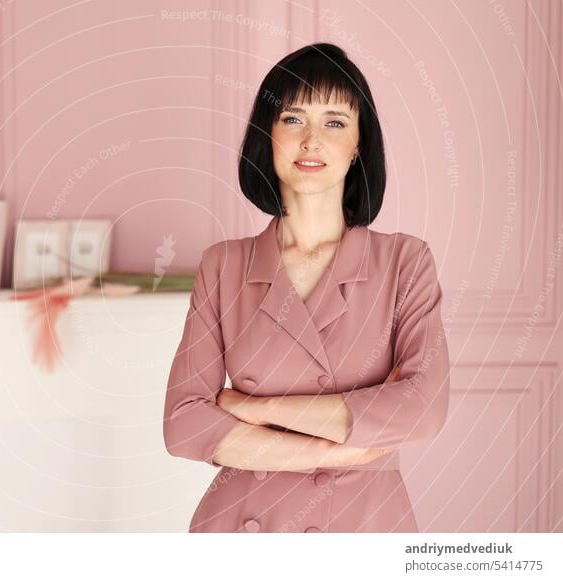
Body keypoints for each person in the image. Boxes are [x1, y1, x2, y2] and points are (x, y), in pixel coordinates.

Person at [162, 42, 450, 533]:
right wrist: (333, 450)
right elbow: (183, 423)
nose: (312, 140)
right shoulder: (224, 265)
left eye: (335, 122)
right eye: (293, 119)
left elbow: (424, 405)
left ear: (358, 143)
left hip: (363, 527)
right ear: (268, 135)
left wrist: (258, 409)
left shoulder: (405, 262)